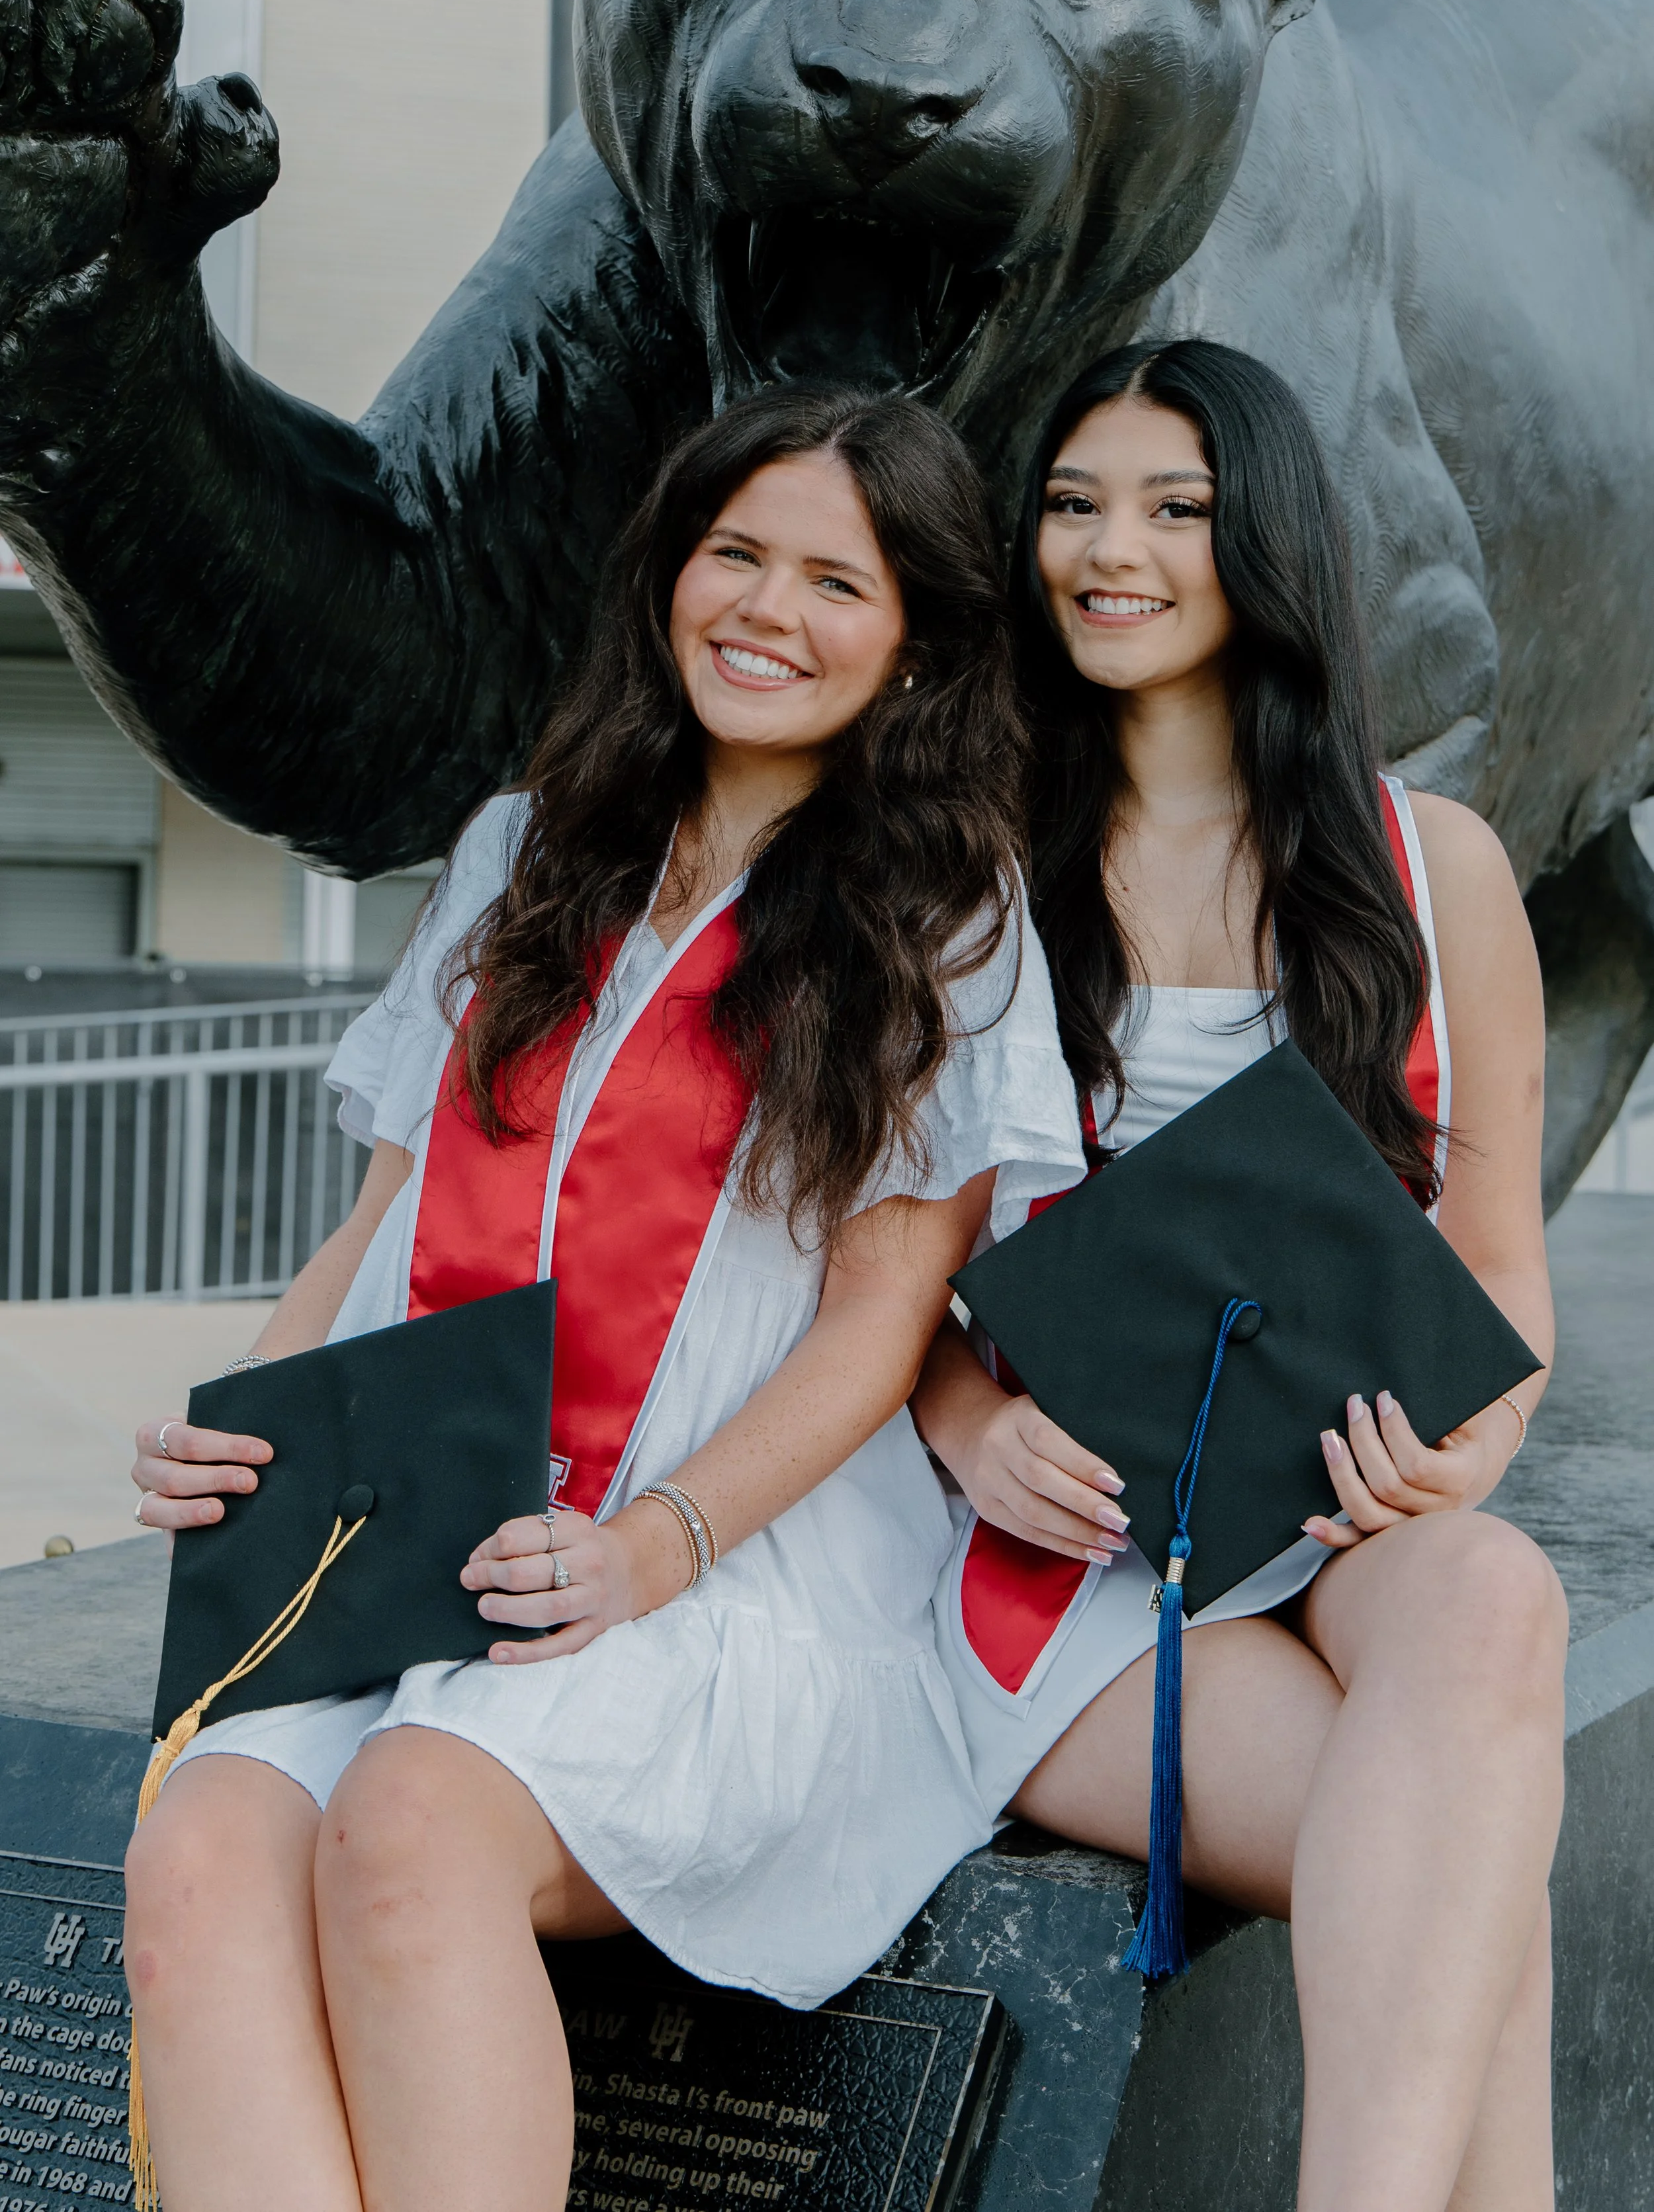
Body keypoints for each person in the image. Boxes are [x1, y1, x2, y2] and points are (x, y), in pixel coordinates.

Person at [123, 391, 1086, 2212]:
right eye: (735, 552)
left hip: (721, 1568)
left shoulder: (939, 919)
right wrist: (242, 1426)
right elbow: (385, 1218)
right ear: (667, 572)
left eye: (833, 579)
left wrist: (652, 1545)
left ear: (911, 646)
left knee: (409, 1821)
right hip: (419, 1530)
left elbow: (880, 1329)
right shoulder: (523, 856)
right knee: (199, 1855)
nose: (766, 608)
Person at [913, 341, 1565, 2212]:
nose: (1110, 551)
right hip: (1061, 1555)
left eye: (1174, 508)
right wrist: (968, 1431)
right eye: (1072, 502)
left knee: (1492, 1596)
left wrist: (1465, 1449)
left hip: (1337, 1504)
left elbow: (1499, 1263)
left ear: (1263, 538)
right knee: (1465, 1866)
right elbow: (875, 1279)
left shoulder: (1429, 873)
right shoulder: (963, 865)